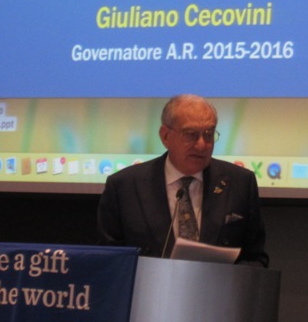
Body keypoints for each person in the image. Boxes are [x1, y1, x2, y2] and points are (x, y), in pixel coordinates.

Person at [97, 94, 268, 266]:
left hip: (219, 283)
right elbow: (109, 263)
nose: (201, 145)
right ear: (165, 136)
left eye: (208, 134)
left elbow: (256, 260)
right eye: (190, 134)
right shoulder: (124, 187)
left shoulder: (240, 182)